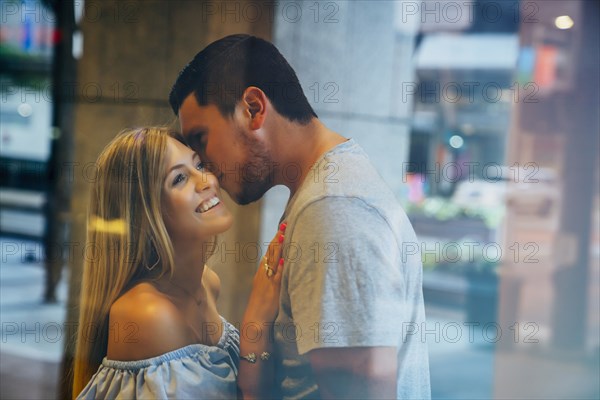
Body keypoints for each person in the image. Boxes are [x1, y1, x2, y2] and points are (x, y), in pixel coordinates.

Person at [169, 34, 431, 399]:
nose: (207, 171)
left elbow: (362, 387)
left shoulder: (333, 207)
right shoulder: (324, 194)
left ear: (253, 108)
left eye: (201, 139)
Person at [72, 127, 286, 399]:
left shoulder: (207, 282)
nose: (206, 180)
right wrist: (256, 321)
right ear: (146, 214)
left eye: (199, 164)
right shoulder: (148, 314)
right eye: (180, 178)